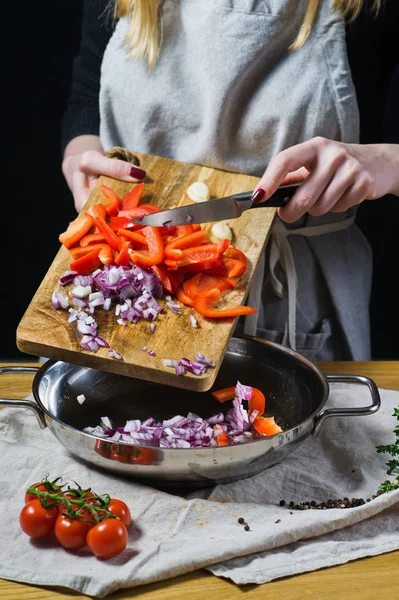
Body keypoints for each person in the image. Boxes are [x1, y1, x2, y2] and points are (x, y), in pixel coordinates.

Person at [61, 0, 399, 362]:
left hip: (299, 301)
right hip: (130, 286)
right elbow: (86, 93)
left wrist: (389, 162)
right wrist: (79, 158)